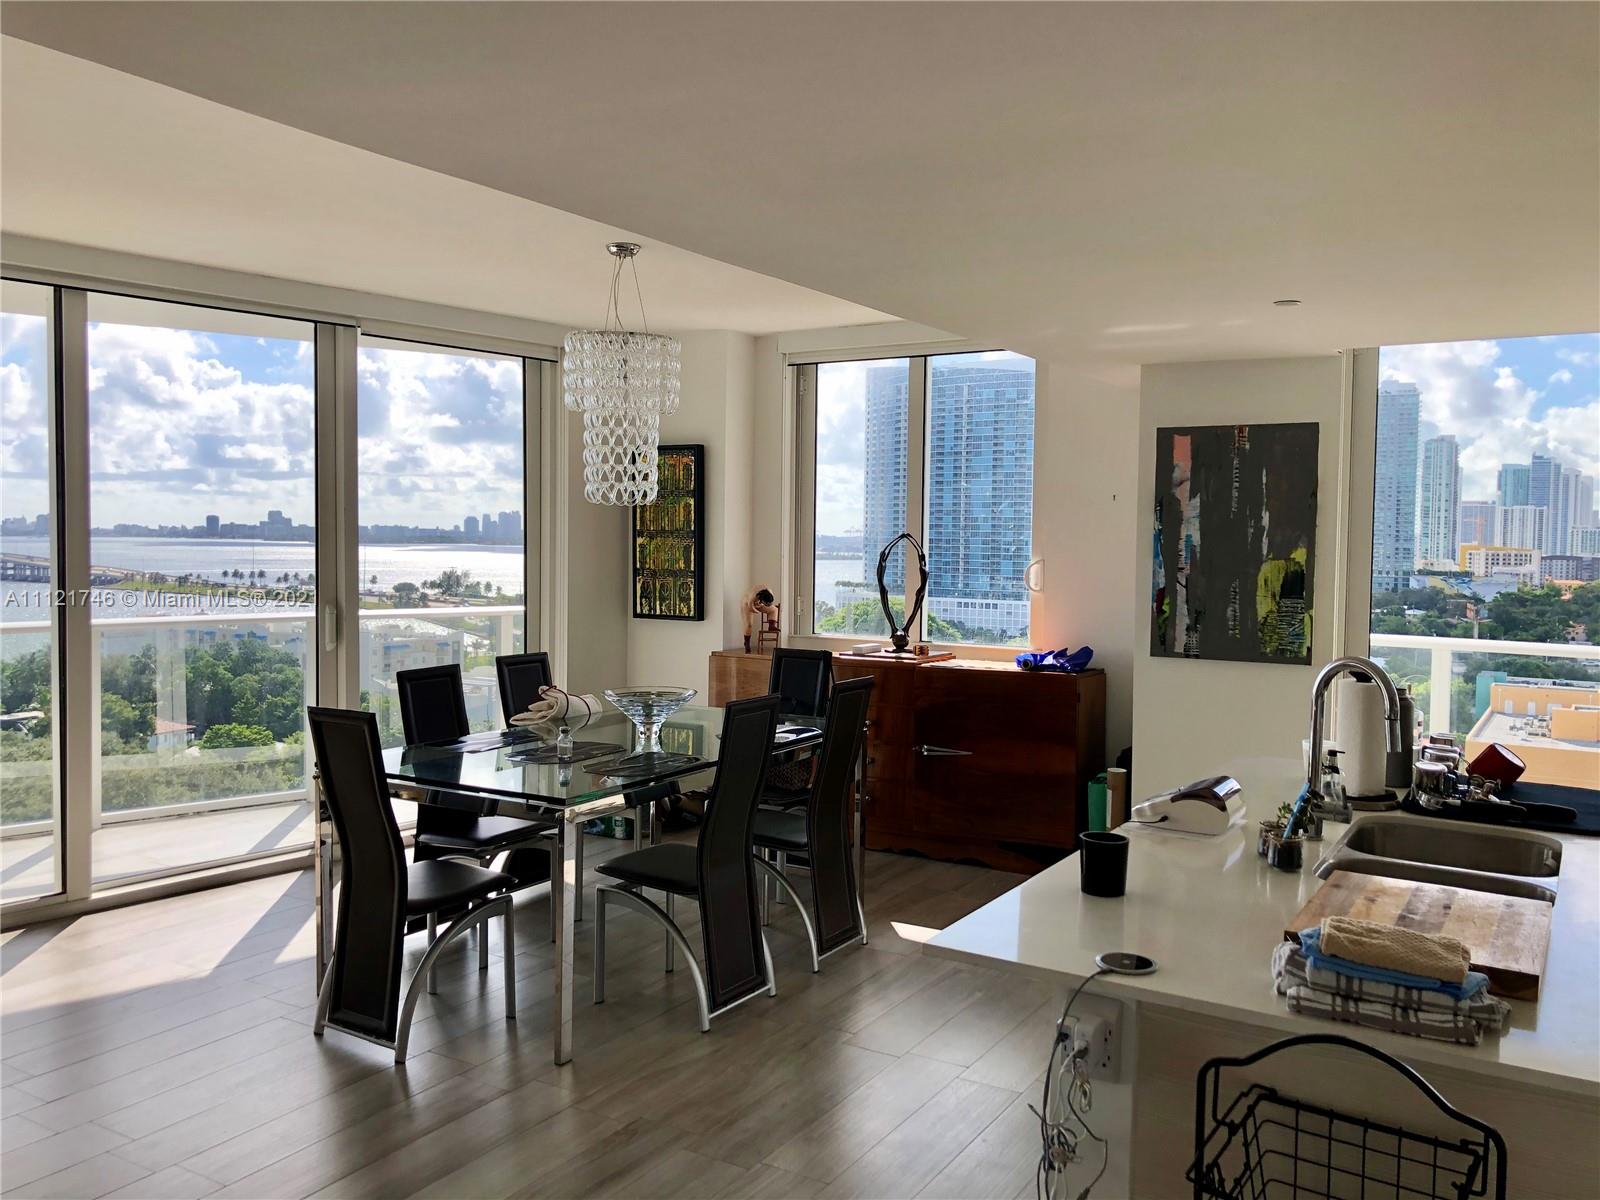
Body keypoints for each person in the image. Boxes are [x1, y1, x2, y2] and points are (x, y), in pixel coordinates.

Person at [742, 586, 779, 652]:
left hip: (759, 603)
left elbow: (770, 604)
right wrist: (757, 609)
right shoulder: (753, 596)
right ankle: (746, 643)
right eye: (766, 603)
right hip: (747, 604)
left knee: (775, 610)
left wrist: (762, 605)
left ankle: (771, 626)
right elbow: (751, 608)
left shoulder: (769, 592)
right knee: (749, 625)